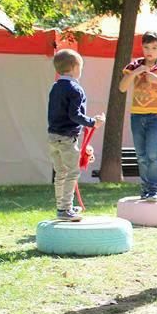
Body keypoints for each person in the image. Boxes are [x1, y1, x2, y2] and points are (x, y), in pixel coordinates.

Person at [118, 31, 157, 201]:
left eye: (154, 47)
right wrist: (135, 72)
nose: (149, 51)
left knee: (153, 153)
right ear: (142, 48)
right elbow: (122, 88)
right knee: (141, 155)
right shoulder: (134, 65)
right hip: (137, 115)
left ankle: (154, 189)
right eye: (146, 47)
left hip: (156, 115)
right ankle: (145, 189)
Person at [47, 49, 105, 221]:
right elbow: (75, 115)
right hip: (67, 137)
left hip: (53, 136)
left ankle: (62, 206)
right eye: (81, 67)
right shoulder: (76, 89)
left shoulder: (55, 87)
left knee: (60, 173)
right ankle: (65, 209)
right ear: (73, 67)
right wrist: (92, 122)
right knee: (72, 173)